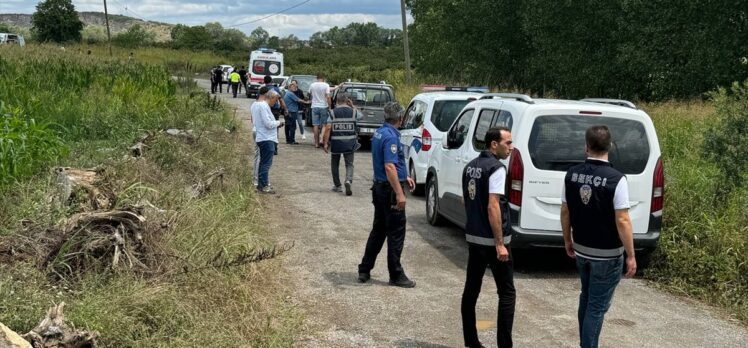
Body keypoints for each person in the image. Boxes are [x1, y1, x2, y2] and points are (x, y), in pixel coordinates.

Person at [561, 125, 637, 348]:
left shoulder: (571, 174)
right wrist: (631, 255)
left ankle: (585, 343)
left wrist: (567, 239)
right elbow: (622, 220)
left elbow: (565, 210)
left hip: (582, 249)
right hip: (607, 255)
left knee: (586, 298)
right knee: (596, 307)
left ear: (586, 147)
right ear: (610, 146)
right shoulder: (617, 179)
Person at [460, 127, 516, 348]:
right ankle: (505, 345)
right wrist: (500, 244)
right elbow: (493, 206)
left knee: (471, 290)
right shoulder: (496, 169)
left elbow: (468, 201)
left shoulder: (470, 167)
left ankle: (471, 342)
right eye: (508, 143)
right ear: (494, 144)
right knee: (507, 292)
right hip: (493, 242)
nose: (511, 147)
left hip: (474, 238)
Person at [357, 102, 416, 288]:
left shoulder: (380, 133)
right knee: (396, 232)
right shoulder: (391, 137)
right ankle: (396, 274)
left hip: (380, 187)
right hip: (389, 190)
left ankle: (365, 269)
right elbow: (389, 166)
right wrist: (400, 193)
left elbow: (390, 163)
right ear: (400, 118)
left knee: (379, 230)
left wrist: (404, 175)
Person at [324, 92, 361, 195]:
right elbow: (361, 116)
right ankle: (348, 180)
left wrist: (325, 143)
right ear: (347, 101)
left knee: (334, 164)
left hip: (336, 143)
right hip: (350, 143)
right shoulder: (353, 112)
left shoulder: (332, 112)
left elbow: (327, 128)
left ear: (337, 101)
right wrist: (352, 105)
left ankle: (338, 185)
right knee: (349, 164)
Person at [251, 88, 285, 194]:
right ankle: (264, 185)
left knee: (263, 162)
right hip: (266, 138)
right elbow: (268, 123)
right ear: (270, 97)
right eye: (275, 100)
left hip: (263, 137)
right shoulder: (263, 106)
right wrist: (278, 123)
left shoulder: (257, 105)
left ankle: (261, 185)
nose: (275, 103)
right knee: (266, 163)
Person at [308, 74, 332, 148]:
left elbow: (309, 94)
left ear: (317, 78)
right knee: (324, 124)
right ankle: (322, 139)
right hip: (324, 106)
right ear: (323, 78)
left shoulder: (312, 85)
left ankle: (316, 143)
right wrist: (330, 106)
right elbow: (328, 97)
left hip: (314, 106)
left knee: (315, 125)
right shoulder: (326, 85)